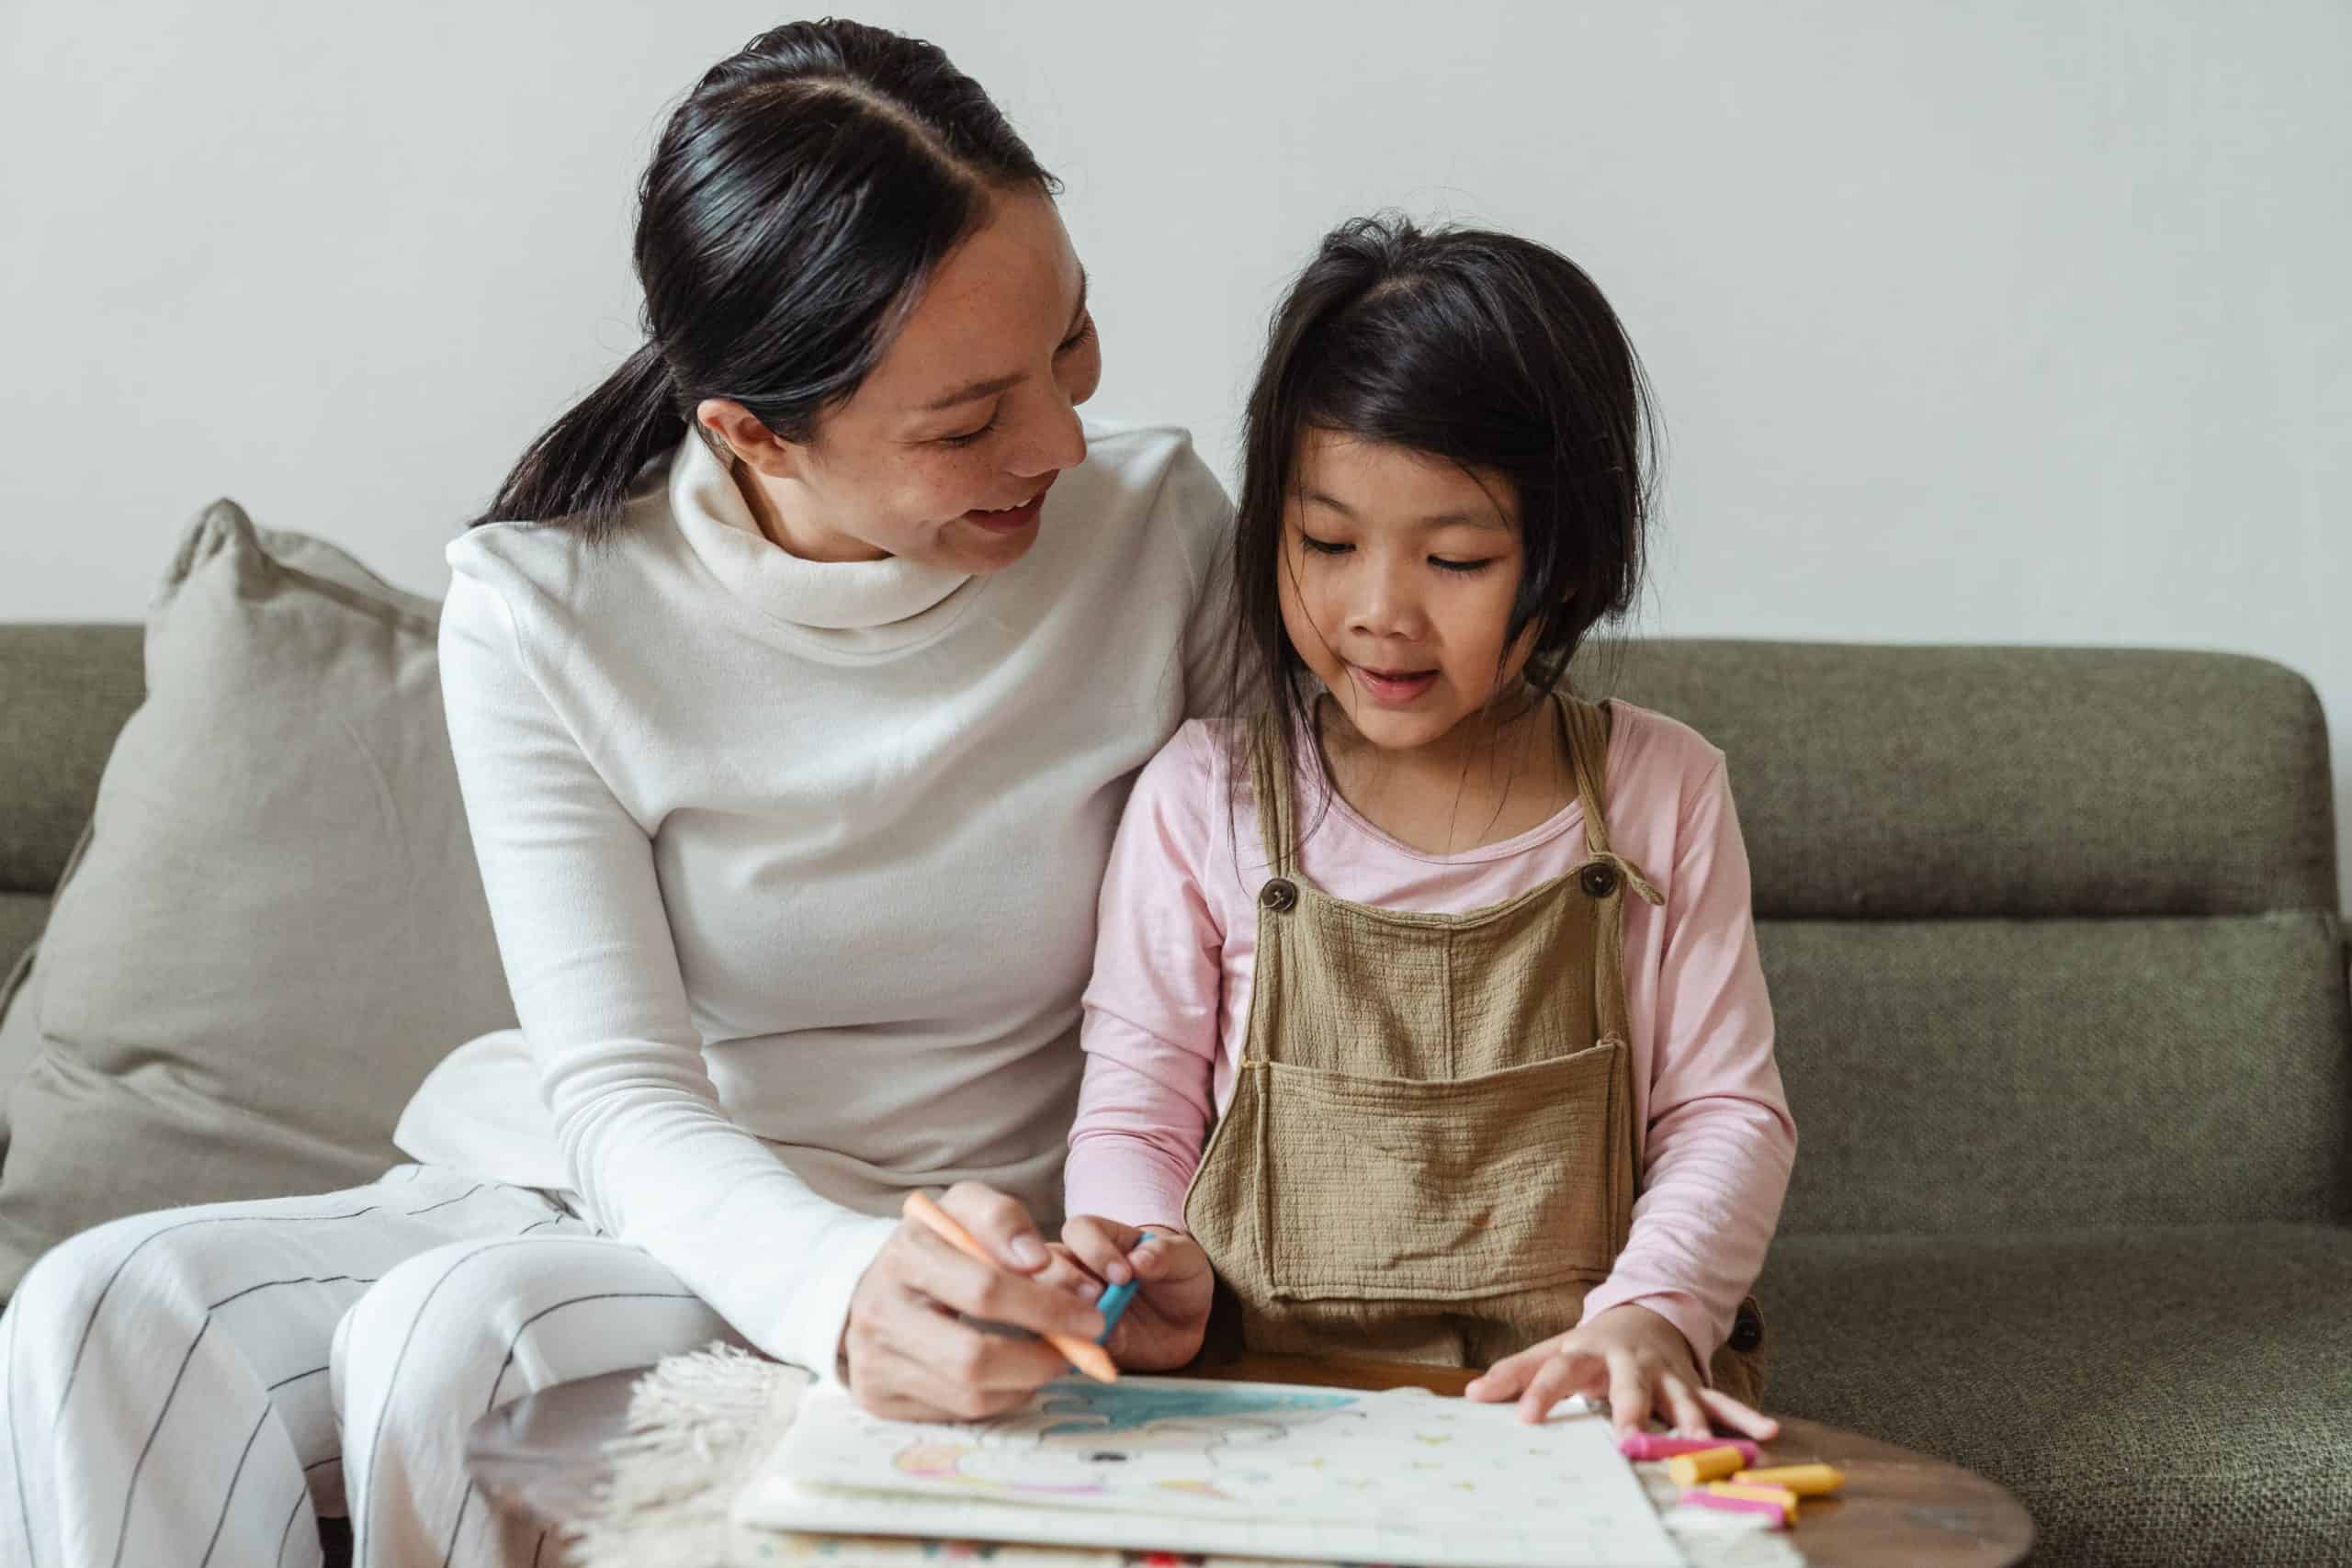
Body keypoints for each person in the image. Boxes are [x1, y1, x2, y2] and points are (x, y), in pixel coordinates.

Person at [0, 20, 1229, 1568]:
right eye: (968, 421)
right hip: (621, 1190)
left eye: (1072, 342)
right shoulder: (541, 608)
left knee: (458, 1345)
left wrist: (1149, 1233)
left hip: (948, 1227)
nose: (1061, 436)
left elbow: (1277, 945)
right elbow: (622, 1096)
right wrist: (839, 1291)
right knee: (97, 1310)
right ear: (750, 429)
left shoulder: (1158, 533)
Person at [1054, 215, 1794, 1440]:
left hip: (1573, 1402)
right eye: (1327, 544)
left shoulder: (1663, 791)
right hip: (1262, 1398)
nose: (1377, 612)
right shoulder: (1206, 797)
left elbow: (1726, 1113)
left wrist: (1655, 1311)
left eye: (1455, 559)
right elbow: (1135, 1114)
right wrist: (1143, 1256)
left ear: (1564, 559)